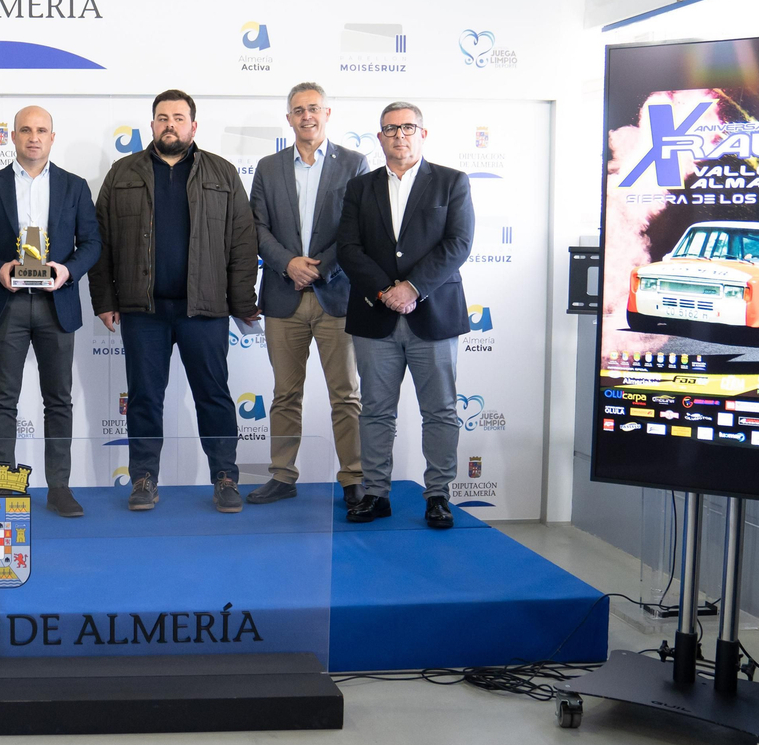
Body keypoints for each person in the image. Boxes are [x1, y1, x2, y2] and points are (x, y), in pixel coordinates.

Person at [89, 88, 260, 513]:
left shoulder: (222, 173)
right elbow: (100, 241)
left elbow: (242, 242)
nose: (170, 125)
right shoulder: (122, 173)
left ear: (193, 126)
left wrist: (242, 302)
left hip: (204, 308)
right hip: (142, 309)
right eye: (163, 118)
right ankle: (143, 478)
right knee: (144, 397)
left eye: (179, 118)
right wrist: (104, 299)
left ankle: (225, 477)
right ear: (152, 125)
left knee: (214, 396)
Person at [335, 101, 474, 529]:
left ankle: (438, 495)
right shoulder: (360, 187)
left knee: (440, 411)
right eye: (391, 129)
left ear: (423, 133)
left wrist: (412, 288)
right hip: (374, 317)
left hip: (433, 316)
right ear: (379, 137)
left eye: (408, 127)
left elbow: (458, 243)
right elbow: (348, 248)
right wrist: (385, 291)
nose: (399, 135)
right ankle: (376, 493)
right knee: (376, 411)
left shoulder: (451, 181)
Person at [0, 105, 101, 516]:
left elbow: (92, 243)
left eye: (41, 130)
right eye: (25, 130)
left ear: (52, 138)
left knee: (58, 400)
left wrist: (68, 270)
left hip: (58, 304)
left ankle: (59, 488)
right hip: (7, 304)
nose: (33, 137)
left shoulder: (75, 186)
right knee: (3, 399)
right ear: (13, 137)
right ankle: (5, 487)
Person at [247, 83, 367, 508]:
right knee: (285, 394)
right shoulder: (268, 167)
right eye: (298, 110)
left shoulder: (354, 163)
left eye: (314, 108)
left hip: (337, 295)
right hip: (283, 296)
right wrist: (288, 264)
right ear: (289, 118)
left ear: (327, 113)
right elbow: (256, 227)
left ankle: (354, 478)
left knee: (346, 395)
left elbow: (358, 227)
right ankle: (282, 475)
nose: (307, 116)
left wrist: (318, 268)